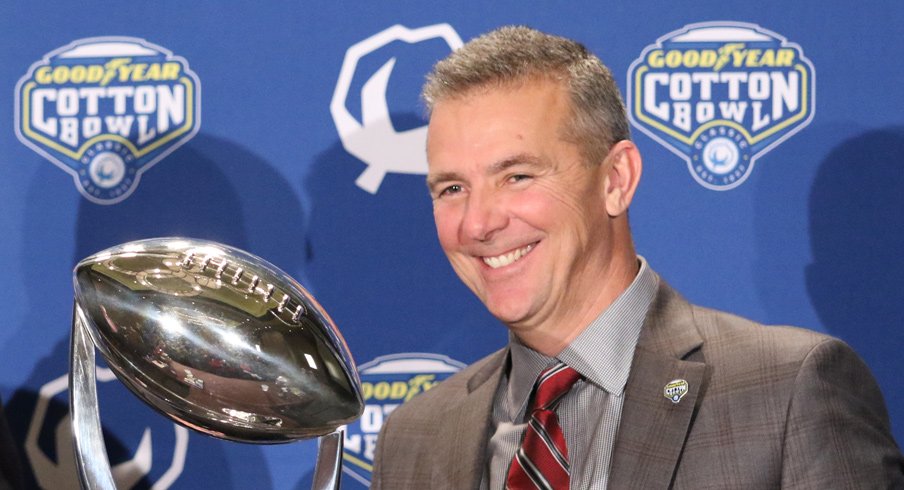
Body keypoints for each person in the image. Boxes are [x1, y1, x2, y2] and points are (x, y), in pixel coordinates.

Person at [370, 26, 904, 489]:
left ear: (615, 180)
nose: (479, 223)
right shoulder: (415, 437)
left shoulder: (786, 391)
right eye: (451, 188)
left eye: (518, 176)